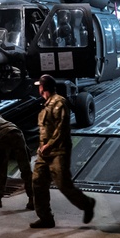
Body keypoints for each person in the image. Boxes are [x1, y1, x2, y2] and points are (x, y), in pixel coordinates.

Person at [30, 74, 95, 228]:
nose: (38, 89)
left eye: (39, 86)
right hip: (44, 153)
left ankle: (87, 204)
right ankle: (46, 218)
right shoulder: (46, 104)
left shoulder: (59, 103)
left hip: (58, 151)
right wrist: (42, 147)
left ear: (43, 88)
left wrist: (49, 145)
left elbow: (62, 128)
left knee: (63, 184)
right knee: (37, 183)